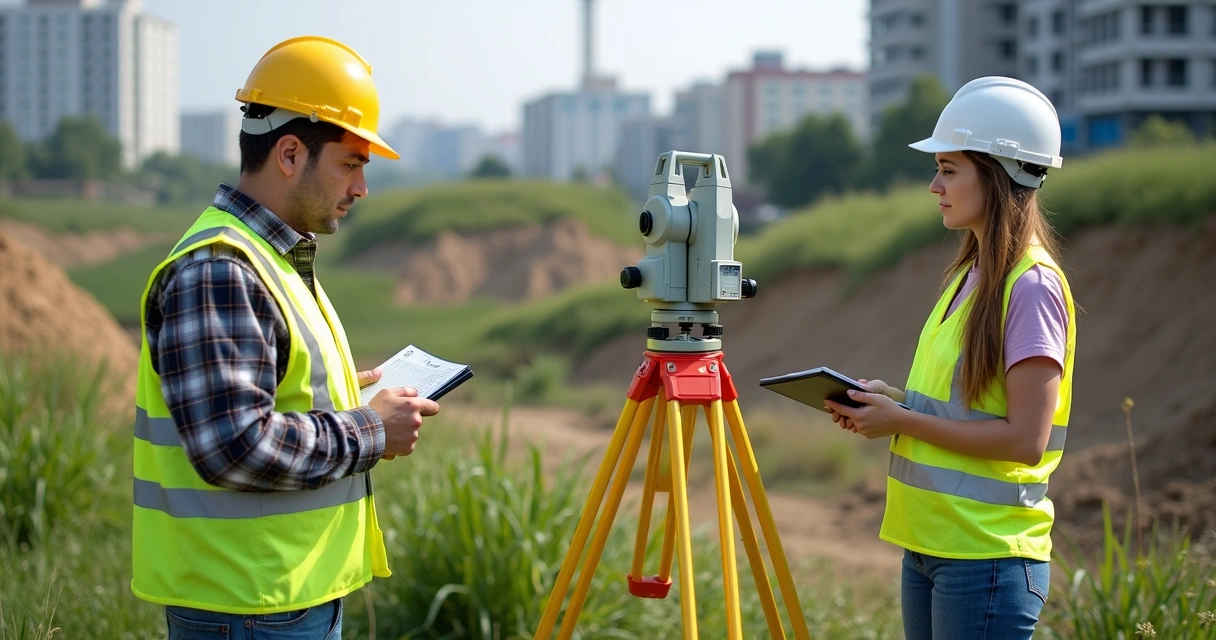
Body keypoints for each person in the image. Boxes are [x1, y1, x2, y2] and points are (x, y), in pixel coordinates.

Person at [130, 36, 439, 639]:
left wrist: (350, 391)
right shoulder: (221, 269)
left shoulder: (271, 258)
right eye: (350, 164)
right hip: (249, 609)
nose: (360, 189)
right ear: (291, 153)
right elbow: (236, 445)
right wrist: (371, 429)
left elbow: (274, 393)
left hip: (277, 601)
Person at [825, 76, 1076, 640]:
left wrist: (902, 421)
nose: (935, 185)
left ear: (998, 172)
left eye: (949, 168)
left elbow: (1025, 439)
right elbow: (962, 406)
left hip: (985, 557)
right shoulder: (971, 274)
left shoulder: (1030, 285)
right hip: (930, 546)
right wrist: (891, 402)